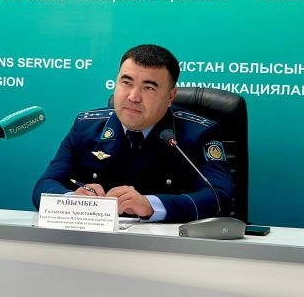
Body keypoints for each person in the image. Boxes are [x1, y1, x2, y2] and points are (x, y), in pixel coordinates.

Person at [32, 44, 232, 222]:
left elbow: (218, 197)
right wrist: (72, 200)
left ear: (170, 96)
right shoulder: (86, 126)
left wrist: (150, 205)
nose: (134, 97)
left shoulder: (199, 133)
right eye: (126, 83)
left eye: (149, 87)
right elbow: (45, 185)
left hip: (167, 246)